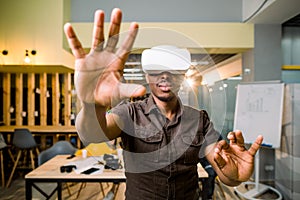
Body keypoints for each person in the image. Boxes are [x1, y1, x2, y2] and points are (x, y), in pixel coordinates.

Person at [64, 8, 263, 200]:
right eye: (156, 71)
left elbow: (225, 172)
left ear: (183, 75)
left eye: (173, 70)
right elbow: (91, 134)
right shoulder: (129, 113)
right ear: (147, 75)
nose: (165, 76)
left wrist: (236, 175)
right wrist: (92, 105)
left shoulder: (198, 119)